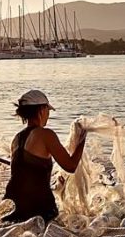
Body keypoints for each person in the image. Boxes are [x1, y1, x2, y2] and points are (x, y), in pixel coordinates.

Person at [5, 89, 86, 223]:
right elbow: (71, 166)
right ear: (42, 110)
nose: (48, 115)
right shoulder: (45, 135)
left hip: (12, 207)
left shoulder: (16, 139)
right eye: (48, 110)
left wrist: (55, 184)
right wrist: (82, 136)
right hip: (39, 211)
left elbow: (26, 175)